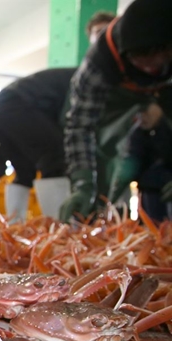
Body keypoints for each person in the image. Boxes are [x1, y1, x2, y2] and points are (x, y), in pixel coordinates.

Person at [59, 0, 172, 222]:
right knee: (106, 171)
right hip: (109, 114)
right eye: (141, 62)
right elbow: (80, 126)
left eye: (157, 60)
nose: (149, 69)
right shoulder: (98, 64)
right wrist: (83, 183)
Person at [0, 68, 76, 221]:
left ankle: (14, 227)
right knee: (55, 159)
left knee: (24, 170)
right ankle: (60, 229)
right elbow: (70, 120)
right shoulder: (90, 79)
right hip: (17, 104)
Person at [109, 120, 172, 221]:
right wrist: (112, 197)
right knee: (152, 223)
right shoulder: (137, 132)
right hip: (149, 191)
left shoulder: (168, 127)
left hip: (168, 190)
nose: (143, 115)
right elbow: (130, 161)